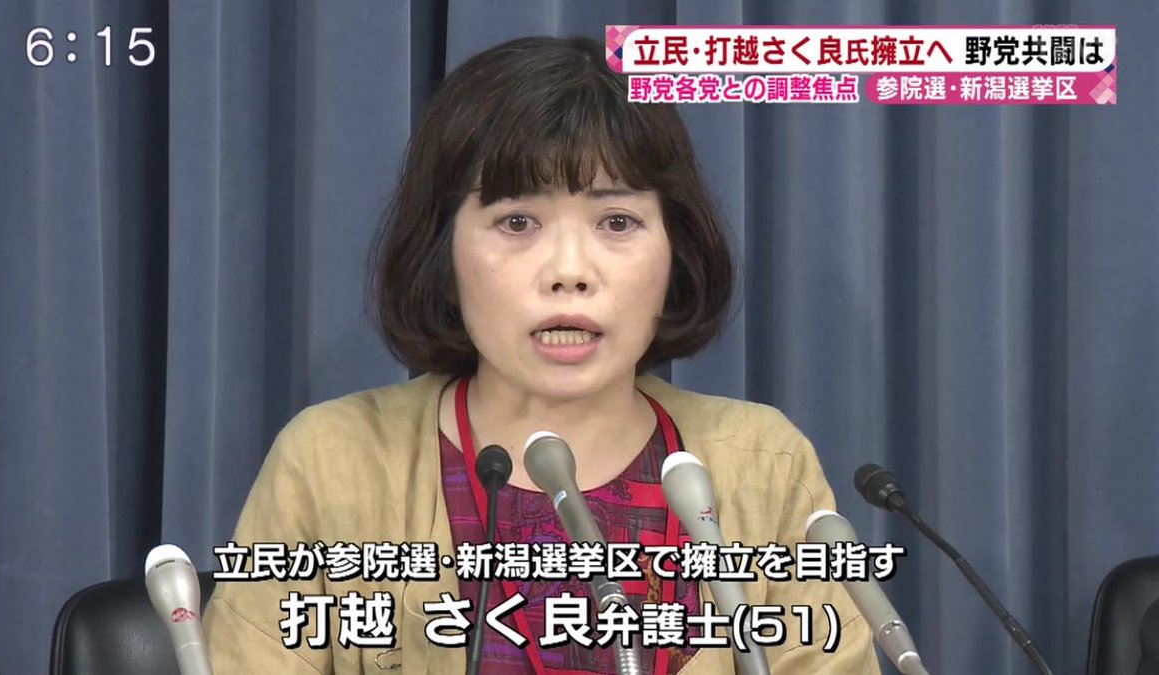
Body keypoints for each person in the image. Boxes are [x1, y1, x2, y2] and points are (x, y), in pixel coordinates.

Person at [203, 35, 880, 674]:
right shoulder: (331, 463)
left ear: (676, 251)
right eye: (517, 222)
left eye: (617, 222)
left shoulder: (765, 465)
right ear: (443, 252)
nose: (568, 272)